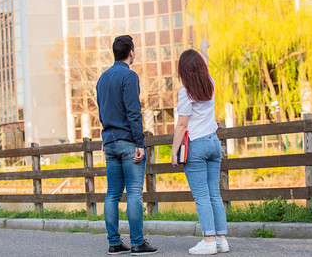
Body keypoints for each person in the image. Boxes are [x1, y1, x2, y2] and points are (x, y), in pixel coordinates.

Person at [96, 35, 158, 256]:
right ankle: (137, 243)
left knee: (112, 193)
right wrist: (140, 142)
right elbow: (133, 111)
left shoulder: (102, 79)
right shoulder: (129, 76)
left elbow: (102, 112)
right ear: (131, 52)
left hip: (109, 141)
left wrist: (107, 138)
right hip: (127, 141)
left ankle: (114, 243)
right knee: (133, 193)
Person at [171, 38, 229, 255]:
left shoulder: (185, 92)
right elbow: (204, 66)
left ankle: (208, 241)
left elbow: (182, 124)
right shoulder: (210, 84)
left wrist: (174, 151)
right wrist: (204, 50)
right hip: (214, 142)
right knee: (214, 193)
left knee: (202, 196)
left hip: (196, 144)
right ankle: (221, 240)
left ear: (183, 71)